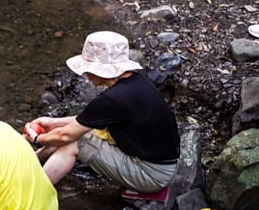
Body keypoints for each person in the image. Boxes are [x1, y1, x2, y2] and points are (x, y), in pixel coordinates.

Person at [25, 31, 179, 193]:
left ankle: (33, 193)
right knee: (71, 134)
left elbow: (66, 136)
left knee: (75, 141)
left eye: (87, 69)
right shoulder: (136, 82)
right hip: (163, 165)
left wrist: (37, 138)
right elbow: (88, 121)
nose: (85, 74)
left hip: (151, 175)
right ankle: (29, 164)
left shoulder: (113, 99)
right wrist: (53, 123)